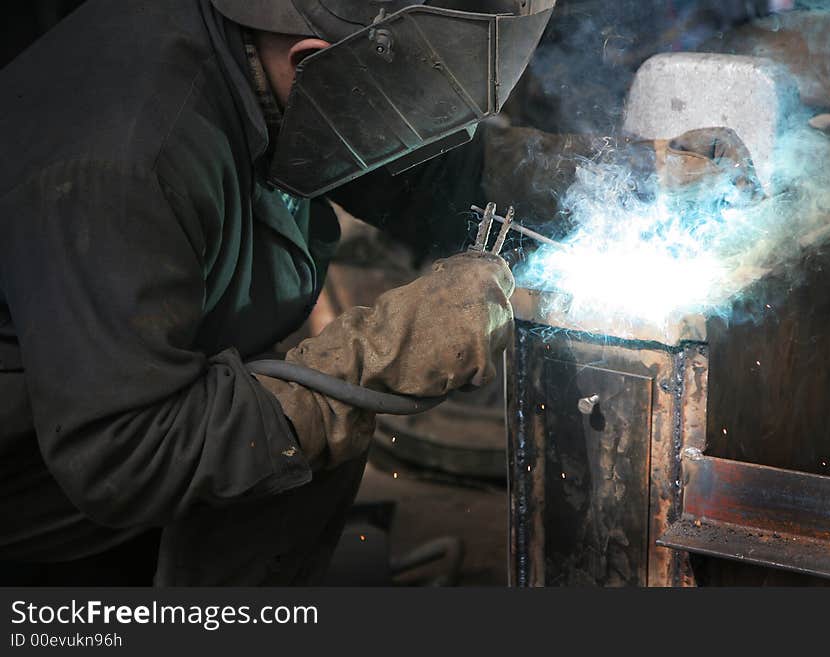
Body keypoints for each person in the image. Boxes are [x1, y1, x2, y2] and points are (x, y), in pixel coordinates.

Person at [0, 0, 752, 585]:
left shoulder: (269, 49)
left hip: (128, 380)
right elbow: (125, 454)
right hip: (46, 462)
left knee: (306, 408)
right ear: (313, 62)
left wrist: (635, 178)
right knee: (310, 410)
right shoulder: (128, 158)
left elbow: (433, 173)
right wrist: (380, 356)